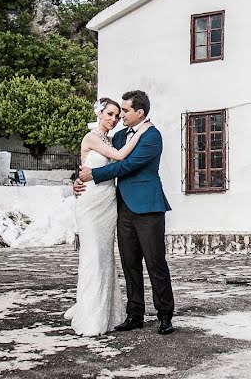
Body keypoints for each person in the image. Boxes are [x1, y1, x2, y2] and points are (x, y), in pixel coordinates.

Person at [75, 90, 175, 335]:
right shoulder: (118, 136)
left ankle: (165, 315)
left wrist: (93, 176)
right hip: (121, 208)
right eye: (118, 112)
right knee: (130, 265)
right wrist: (79, 180)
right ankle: (135, 314)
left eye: (126, 111)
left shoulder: (152, 136)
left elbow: (127, 165)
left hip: (148, 207)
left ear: (139, 112)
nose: (121, 116)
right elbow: (98, 159)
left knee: (155, 263)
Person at [65, 97, 151, 336]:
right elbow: (120, 156)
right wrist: (141, 130)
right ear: (99, 113)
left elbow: (97, 168)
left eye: (117, 115)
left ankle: (109, 312)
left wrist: (80, 177)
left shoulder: (110, 139)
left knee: (105, 256)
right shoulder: (91, 136)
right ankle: (91, 315)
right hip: (91, 202)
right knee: (92, 255)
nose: (114, 119)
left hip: (108, 203)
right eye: (110, 114)